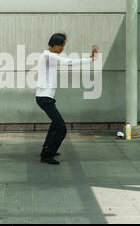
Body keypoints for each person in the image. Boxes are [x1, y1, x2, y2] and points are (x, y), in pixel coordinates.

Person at [35, 33, 98, 165]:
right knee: (62, 128)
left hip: (46, 97)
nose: (63, 49)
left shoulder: (49, 56)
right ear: (56, 45)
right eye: (62, 46)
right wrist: (91, 59)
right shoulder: (48, 56)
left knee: (55, 125)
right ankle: (47, 155)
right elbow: (68, 62)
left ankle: (47, 150)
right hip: (44, 98)